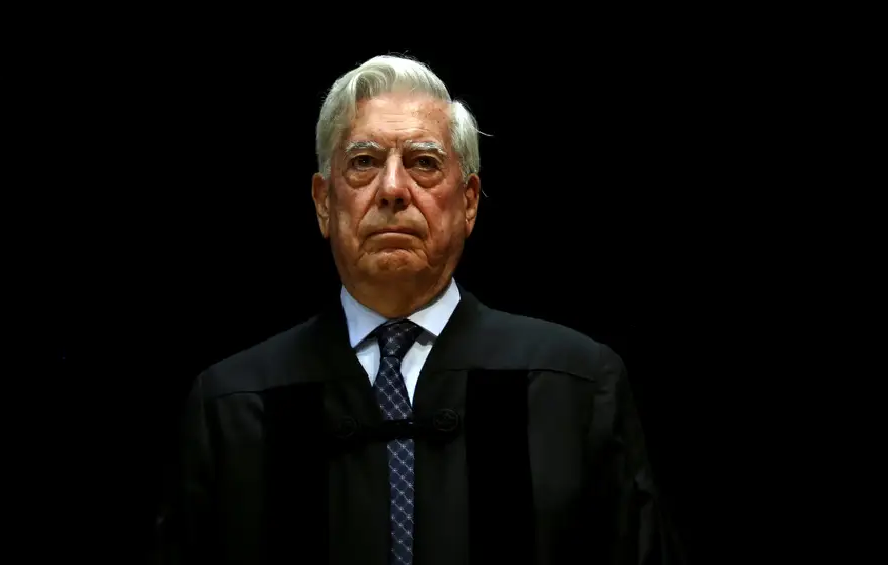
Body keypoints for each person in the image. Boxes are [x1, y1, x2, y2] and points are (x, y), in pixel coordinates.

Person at [155, 54, 685, 565]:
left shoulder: (574, 387)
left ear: (469, 201)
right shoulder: (234, 407)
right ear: (323, 202)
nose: (392, 189)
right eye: (364, 163)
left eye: (423, 163)